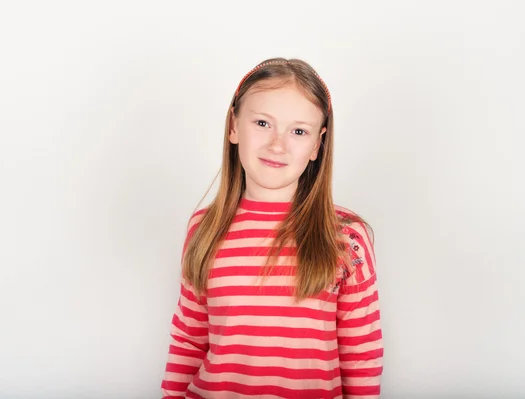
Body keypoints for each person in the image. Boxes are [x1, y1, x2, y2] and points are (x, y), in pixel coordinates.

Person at [161, 57, 383, 398]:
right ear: (234, 126)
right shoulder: (204, 228)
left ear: (317, 145)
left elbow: (361, 356)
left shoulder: (346, 237)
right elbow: (189, 339)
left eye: (298, 131)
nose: (278, 144)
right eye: (263, 123)